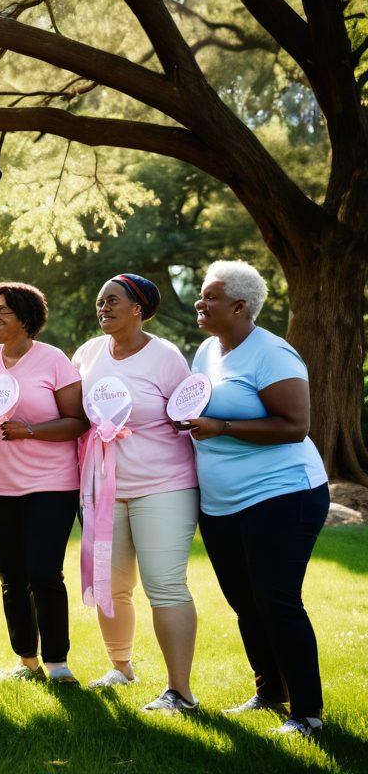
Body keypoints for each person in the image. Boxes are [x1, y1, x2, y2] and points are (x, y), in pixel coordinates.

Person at [184, 261, 329, 736]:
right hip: (222, 502)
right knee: (245, 601)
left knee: (277, 598)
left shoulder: (273, 355)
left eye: (209, 297)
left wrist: (222, 427)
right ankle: (270, 691)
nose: (199, 304)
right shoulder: (207, 350)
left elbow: (295, 426)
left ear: (240, 306)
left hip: (282, 493)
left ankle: (307, 713)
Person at [72, 275, 200, 712]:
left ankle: (180, 691)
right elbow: (67, 406)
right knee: (112, 583)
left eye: (112, 301)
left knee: (164, 584)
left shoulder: (165, 357)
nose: (102, 308)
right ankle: (120, 667)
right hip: (104, 487)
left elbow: (188, 415)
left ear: (138, 309)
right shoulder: (88, 353)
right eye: (99, 301)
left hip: (163, 485)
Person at [0, 282, 88, 684]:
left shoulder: (54, 361)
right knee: (11, 576)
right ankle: (26, 661)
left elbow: (76, 421)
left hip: (50, 484)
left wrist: (31, 430)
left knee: (44, 572)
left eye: (3, 311)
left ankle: (57, 662)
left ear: (27, 318)